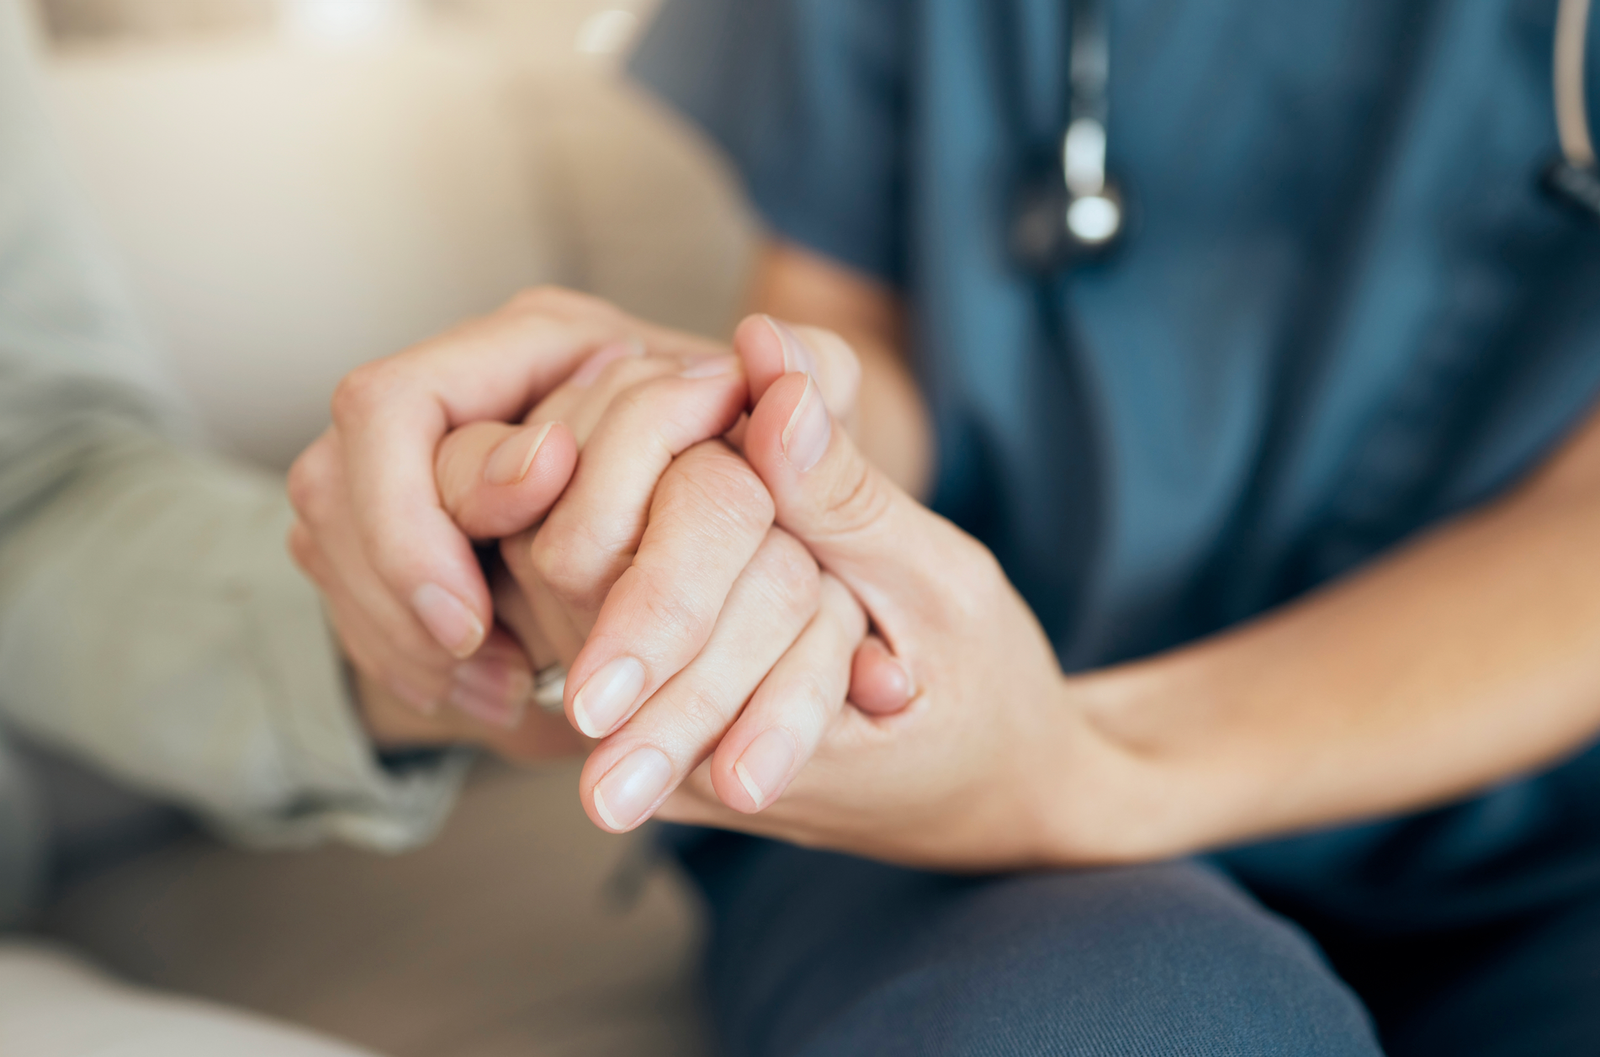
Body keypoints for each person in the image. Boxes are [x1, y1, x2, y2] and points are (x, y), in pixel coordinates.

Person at [293, 0, 1600, 1054]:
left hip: (1530, 842)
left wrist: (1082, 769)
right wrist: (758, 440)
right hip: (920, 764)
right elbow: (857, 339)